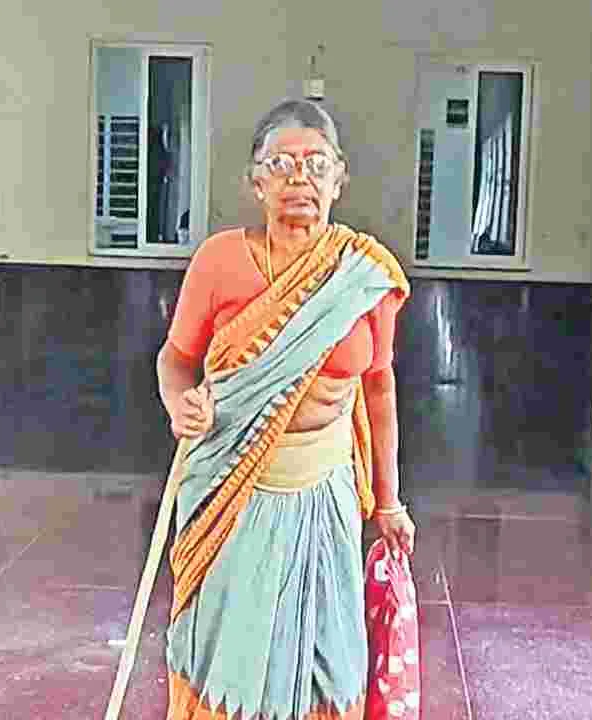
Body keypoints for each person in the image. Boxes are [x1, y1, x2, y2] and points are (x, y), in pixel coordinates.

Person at [156, 99, 415, 720]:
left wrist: (388, 501)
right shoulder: (219, 261)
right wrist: (179, 403)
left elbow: (379, 390)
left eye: (316, 163)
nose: (299, 177)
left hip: (325, 490)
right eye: (281, 163)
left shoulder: (364, 275)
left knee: (332, 659)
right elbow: (175, 359)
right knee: (230, 660)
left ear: (338, 177)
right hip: (232, 491)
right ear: (256, 181)